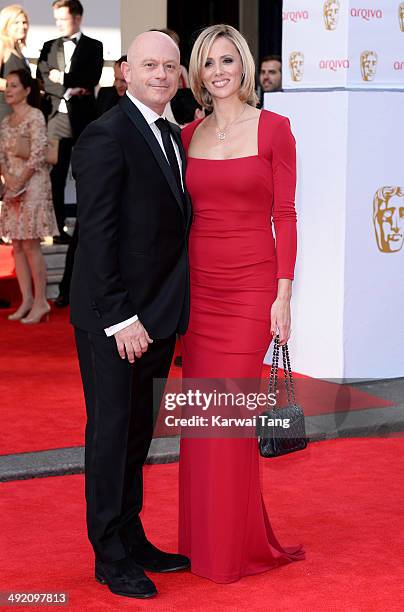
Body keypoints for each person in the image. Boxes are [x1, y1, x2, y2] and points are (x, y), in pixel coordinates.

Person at [178, 24, 305, 583]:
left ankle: (229, 551)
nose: (219, 71)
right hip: (199, 291)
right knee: (204, 421)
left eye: (228, 60)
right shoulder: (187, 134)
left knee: (230, 421)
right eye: (209, 63)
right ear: (199, 74)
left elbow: (286, 215)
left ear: (245, 66)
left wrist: (283, 294)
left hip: (252, 286)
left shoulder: (276, 129)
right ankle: (204, 541)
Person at [70, 31, 191, 599]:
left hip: (158, 317)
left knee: (138, 432)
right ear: (126, 71)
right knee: (113, 432)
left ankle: (132, 534)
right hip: (116, 322)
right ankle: (109, 552)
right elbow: (95, 238)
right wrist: (121, 318)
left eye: (170, 66)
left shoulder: (172, 134)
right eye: (150, 65)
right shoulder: (105, 135)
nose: (162, 75)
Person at [54, 55, 128, 309]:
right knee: (81, 238)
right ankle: (68, 291)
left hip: (125, 191)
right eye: (116, 78)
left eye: (123, 80)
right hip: (100, 184)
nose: (119, 84)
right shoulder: (106, 96)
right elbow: (89, 133)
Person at [37, 0, 103, 244]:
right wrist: (68, 89)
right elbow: (42, 78)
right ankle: (57, 227)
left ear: (77, 18)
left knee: (87, 171)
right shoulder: (48, 46)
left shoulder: (94, 46)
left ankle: (88, 226)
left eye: (62, 19)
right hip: (56, 117)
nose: (58, 24)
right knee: (57, 172)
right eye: (56, 19)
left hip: (85, 118)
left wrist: (63, 76)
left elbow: (92, 76)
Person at [0, 69, 58, 323]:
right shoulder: (4, 121)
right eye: (7, 86)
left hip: (33, 186)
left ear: (27, 90)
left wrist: (18, 181)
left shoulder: (35, 116)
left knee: (32, 245)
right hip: (12, 186)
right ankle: (26, 300)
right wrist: (8, 180)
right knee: (17, 246)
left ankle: (41, 301)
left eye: (13, 86)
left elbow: (37, 155)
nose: (8, 90)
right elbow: (1, 156)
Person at [0, 4, 30, 123]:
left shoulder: (17, 49)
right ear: (6, 24)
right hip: (5, 112)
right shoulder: (2, 44)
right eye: (16, 22)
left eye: (24, 22)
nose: (22, 26)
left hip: (19, 112)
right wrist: (15, 87)